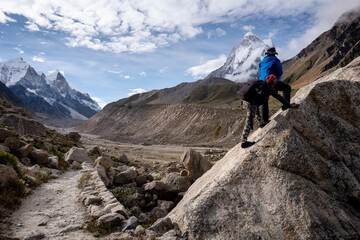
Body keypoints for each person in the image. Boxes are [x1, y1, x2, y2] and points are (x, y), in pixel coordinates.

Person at [238, 74, 299, 148]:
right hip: (250, 103)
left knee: (259, 105)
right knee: (248, 122)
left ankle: (261, 123)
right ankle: (244, 143)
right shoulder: (269, 88)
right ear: (273, 83)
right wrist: (289, 105)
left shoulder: (260, 83)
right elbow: (279, 97)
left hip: (246, 101)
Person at [259, 47, 292, 125]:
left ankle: (265, 120)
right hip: (272, 81)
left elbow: (261, 71)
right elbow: (280, 72)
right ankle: (285, 105)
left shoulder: (262, 61)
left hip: (262, 82)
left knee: (264, 100)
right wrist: (276, 79)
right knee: (287, 88)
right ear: (274, 53)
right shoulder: (276, 60)